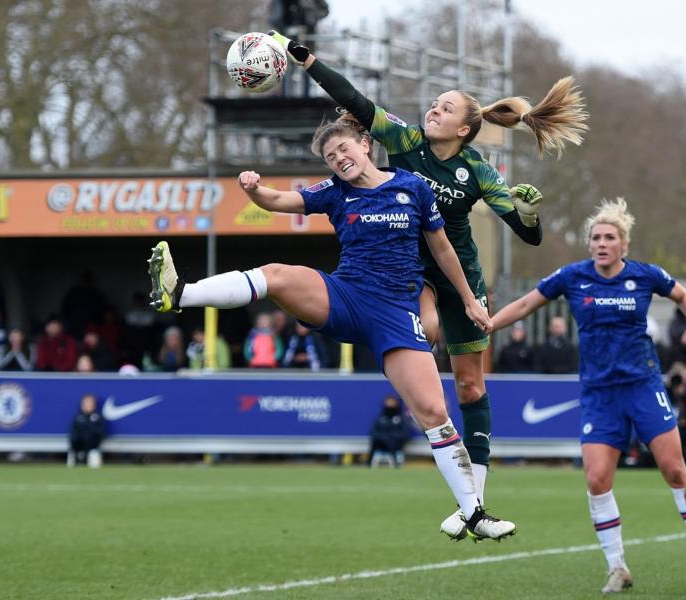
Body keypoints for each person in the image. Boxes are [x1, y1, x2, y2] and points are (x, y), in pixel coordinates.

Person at [269, 31, 587, 539]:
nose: (432, 111)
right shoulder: (405, 140)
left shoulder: (479, 171)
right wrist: (307, 61)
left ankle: (474, 504)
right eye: (434, 104)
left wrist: (530, 212)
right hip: (406, 275)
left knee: (471, 384)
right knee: (424, 348)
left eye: (444, 108)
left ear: (465, 127)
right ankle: (463, 492)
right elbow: (355, 101)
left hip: (461, 276)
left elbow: (527, 236)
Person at [146, 115, 514, 541]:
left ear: (365, 145)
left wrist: (469, 299)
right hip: (346, 295)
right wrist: (253, 189)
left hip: (396, 312)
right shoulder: (335, 194)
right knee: (277, 274)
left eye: (344, 149)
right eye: (329, 156)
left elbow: (443, 248)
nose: (339, 159)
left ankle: (474, 513)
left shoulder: (412, 187)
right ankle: (180, 292)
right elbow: (281, 201)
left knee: (434, 413)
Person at [489, 198, 686, 592]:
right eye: (596, 237)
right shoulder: (572, 276)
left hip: (643, 387)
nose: (601, 243)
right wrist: (489, 325)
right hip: (599, 395)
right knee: (597, 479)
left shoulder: (644, 276)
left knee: (674, 470)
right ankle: (617, 567)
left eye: (609, 237)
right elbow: (526, 303)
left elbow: (684, 296)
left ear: (624, 244)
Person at [368, 395, 412, 468]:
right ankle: (369, 464)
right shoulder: (381, 418)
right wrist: (384, 437)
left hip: (395, 444)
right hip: (381, 444)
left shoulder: (401, 418)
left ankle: (395, 463)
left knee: (391, 442)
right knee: (376, 442)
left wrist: (391, 437)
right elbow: (373, 432)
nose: (390, 405)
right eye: (388, 402)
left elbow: (405, 433)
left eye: (392, 402)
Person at [68, 393, 106, 468]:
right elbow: (73, 433)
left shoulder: (97, 418)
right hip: (78, 447)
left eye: (89, 403)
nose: (87, 406)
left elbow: (101, 433)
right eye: (85, 403)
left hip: (93, 447)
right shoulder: (77, 418)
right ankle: (77, 458)